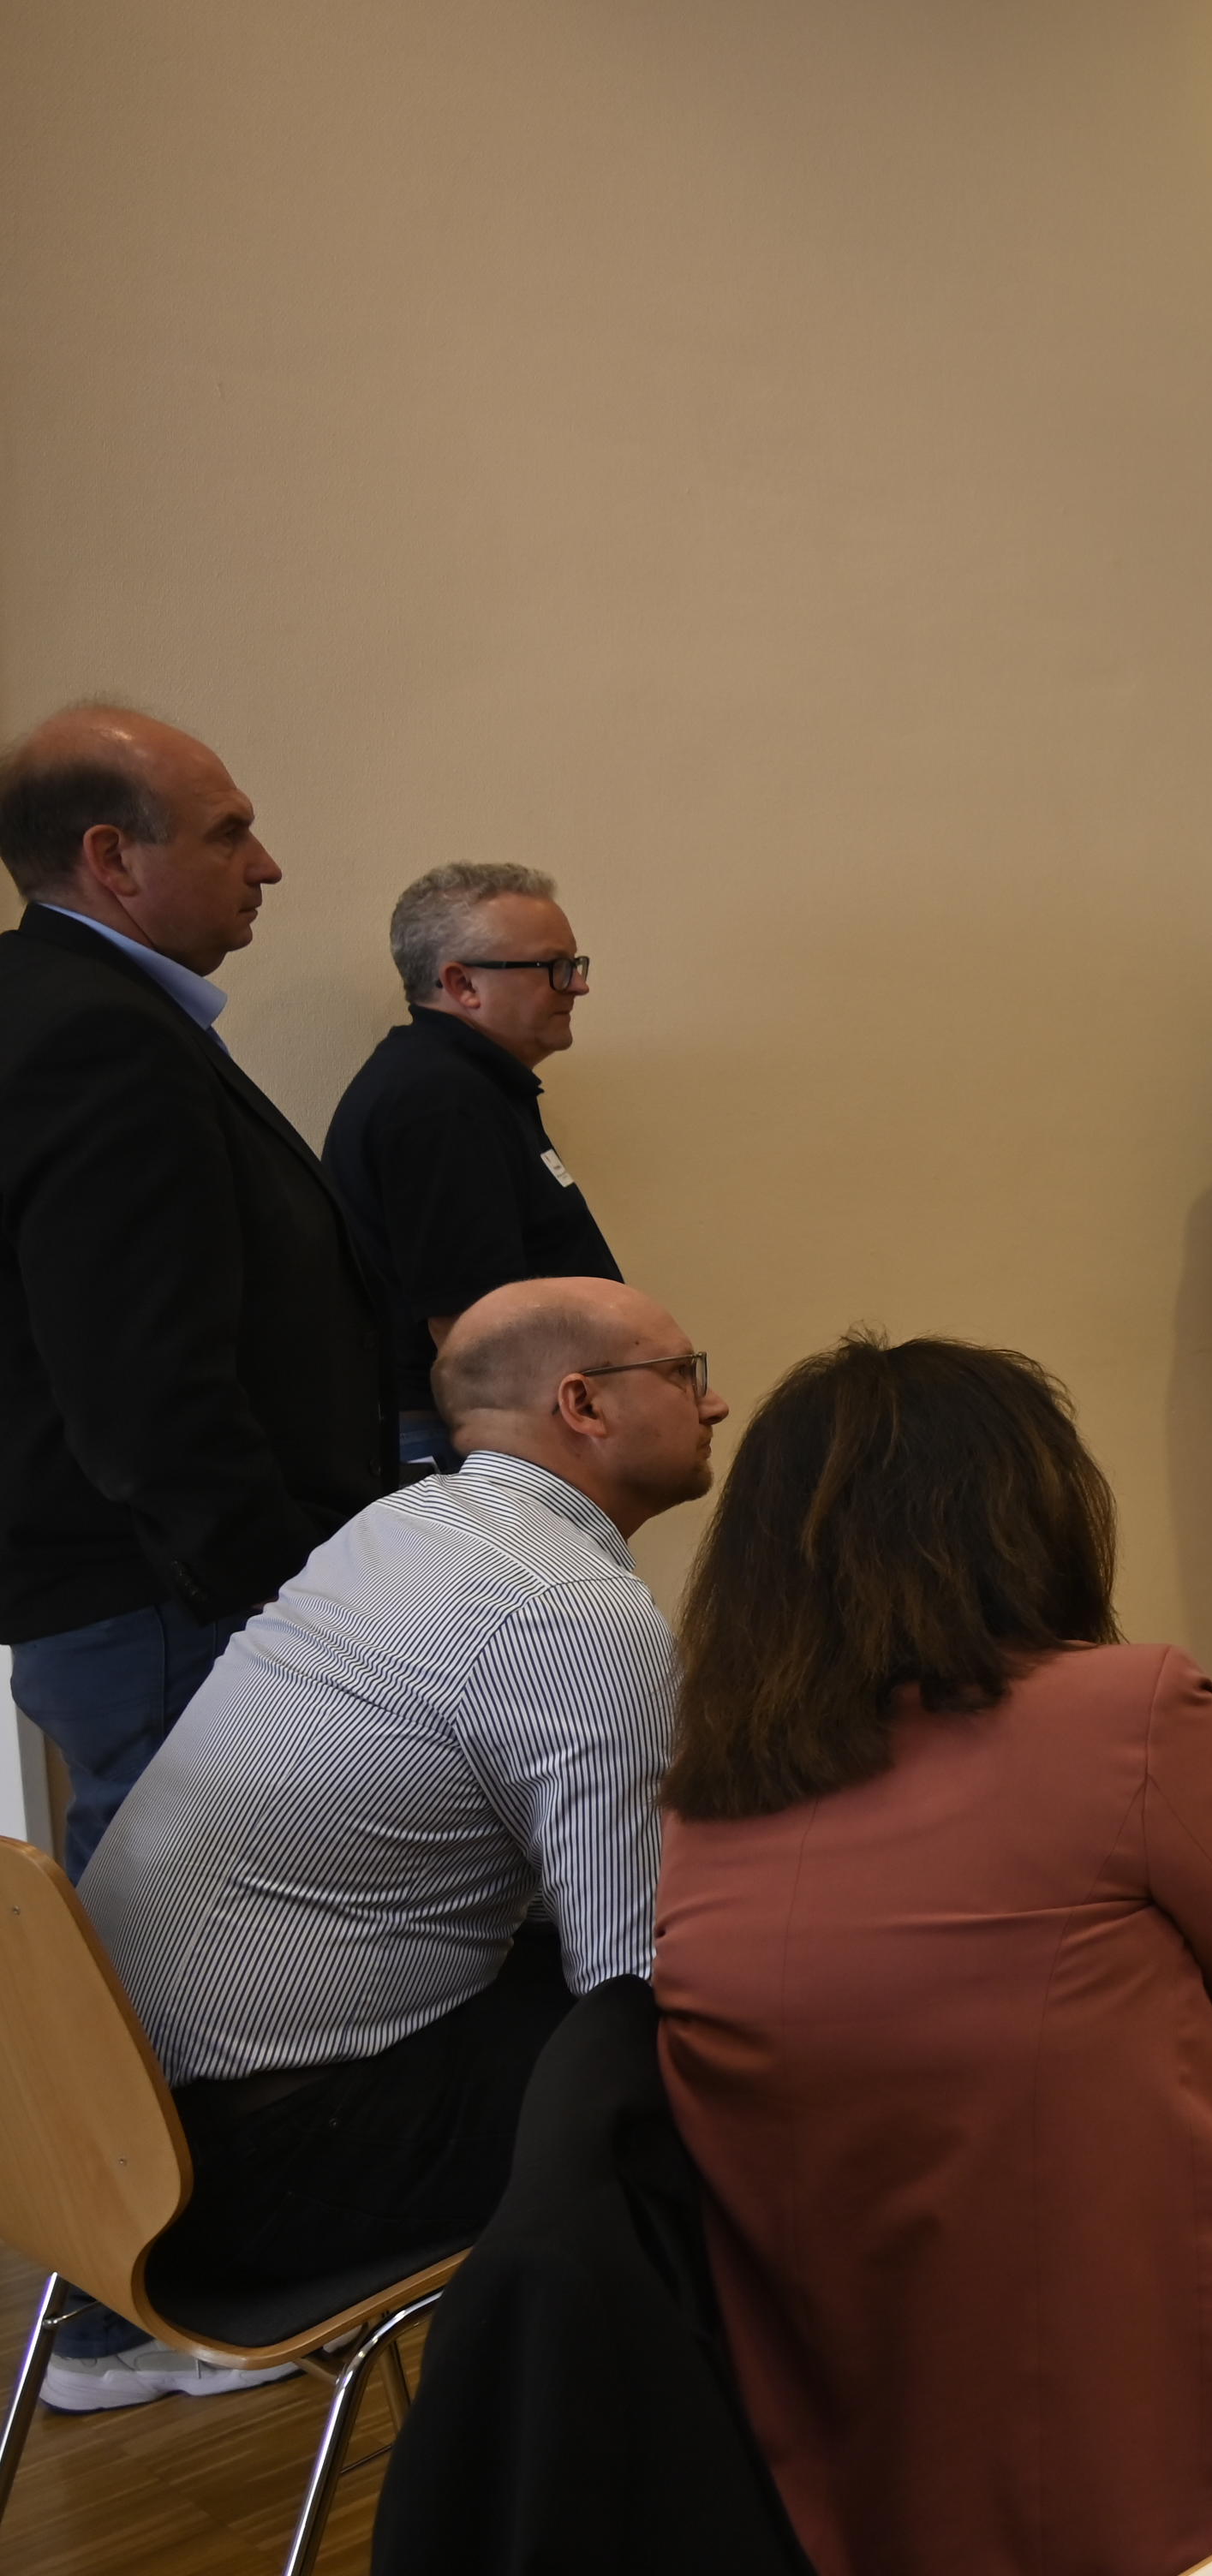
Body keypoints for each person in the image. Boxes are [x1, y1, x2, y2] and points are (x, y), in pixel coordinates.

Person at [655, 1333, 1212, 2576]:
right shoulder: (1129, 1712)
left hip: (883, 2465)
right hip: (1198, 2420)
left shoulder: (703, 1802)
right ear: (1026, 1519)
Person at [59, 1278, 716, 2415]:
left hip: (115, 2131)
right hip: (259, 2167)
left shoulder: (402, 1529)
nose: (712, 1403)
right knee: (752, 2063)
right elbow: (632, 1975)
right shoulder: (568, 1608)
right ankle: (645, 2452)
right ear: (584, 1404)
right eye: (682, 1372)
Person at [0, 703, 392, 1874]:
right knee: (201, 1947)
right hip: (174, 1607)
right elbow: (142, 1380)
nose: (265, 866)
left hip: (138, 1595)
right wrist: (286, 1595)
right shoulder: (97, 1034)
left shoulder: (65, 1005)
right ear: (113, 858)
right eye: (228, 833)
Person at [327, 862, 622, 1472]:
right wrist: (531, 1465)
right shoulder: (439, 1099)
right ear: (462, 984)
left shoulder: (469, 1084)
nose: (578, 985)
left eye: (574, 963)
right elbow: (470, 1325)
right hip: (467, 1442)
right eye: (553, 967)